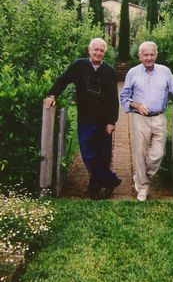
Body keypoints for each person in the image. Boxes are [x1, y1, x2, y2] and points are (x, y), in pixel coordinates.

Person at [120, 41, 173, 202]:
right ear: (139, 56)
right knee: (139, 153)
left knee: (158, 154)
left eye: (152, 54)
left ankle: (141, 175)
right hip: (140, 118)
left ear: (156, 55)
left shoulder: (165, 71)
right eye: (145, 55)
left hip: (159, 117)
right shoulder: (132, 73)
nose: (149, 57)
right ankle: (143, 187)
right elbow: (124, 97)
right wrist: (135, 104)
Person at [44, 38, 121, 200]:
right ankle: (111, 179)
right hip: (85, 119)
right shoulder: (79, 66)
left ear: (104, 53)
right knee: (88, 154)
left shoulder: (109, 71)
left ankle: (96, 188)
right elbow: (63, 80)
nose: (98, 53)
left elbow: (114, 99)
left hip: (103, 121)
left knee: (103, 155)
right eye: (96, 50)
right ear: (89, 50)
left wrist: (111, 121)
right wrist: (52, 95)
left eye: (101, 50)